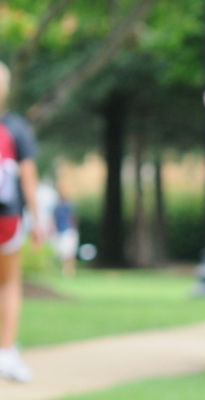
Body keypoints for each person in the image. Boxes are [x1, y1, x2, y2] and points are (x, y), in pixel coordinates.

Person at [0, 61, 42, 383]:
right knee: (9, 283)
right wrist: (38, 220)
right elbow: (28, 177)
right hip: (8, 220)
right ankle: (6, 351)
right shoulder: (15, 127)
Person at [53, 188, 78, 278]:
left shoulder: (66, 206)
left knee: (69, 251)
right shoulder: (58, 207)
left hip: (67, 230)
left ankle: (69, 270)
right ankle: (67, 270)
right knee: (65, 252)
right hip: (63, 231)